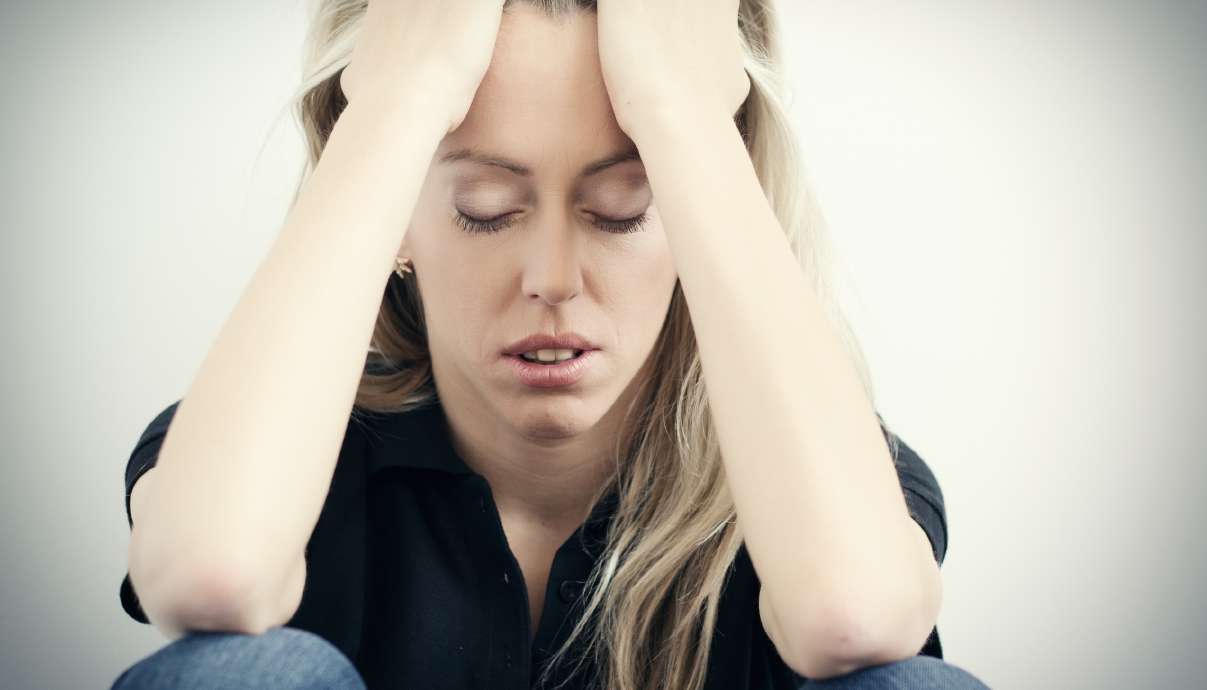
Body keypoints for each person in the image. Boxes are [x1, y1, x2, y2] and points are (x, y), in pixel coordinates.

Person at [112, 1, 991, 689]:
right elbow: (210, 576)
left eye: (623, 207)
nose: (553, 279)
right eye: (486, 208)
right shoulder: (264, 451)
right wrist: (397, 99)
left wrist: (682, 115)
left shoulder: (830, 482)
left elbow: (856, 618)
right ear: (396, 211)